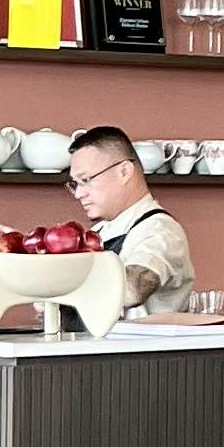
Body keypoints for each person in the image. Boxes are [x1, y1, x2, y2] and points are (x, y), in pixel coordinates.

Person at [65, 125, 197, 319]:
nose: (78, 193)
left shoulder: (160, 229)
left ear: (124, 172)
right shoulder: (100, 231)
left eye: (86, 179)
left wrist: (59, 280)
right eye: (75, 184)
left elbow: (133, 290)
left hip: (142, 349)